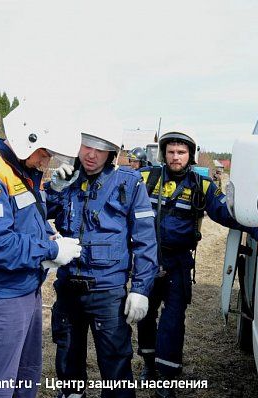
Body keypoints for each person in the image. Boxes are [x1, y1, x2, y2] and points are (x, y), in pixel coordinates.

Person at [0, 102, 83, 398]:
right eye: (44, 152)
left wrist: (51, 196)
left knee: (24, 382)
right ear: (26, 139)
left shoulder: (20, 173)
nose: (47, 159)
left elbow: (27, 221)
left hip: (26, 291)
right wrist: (50, 250)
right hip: (1, 297)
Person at [136, 131, 256, 398]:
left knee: (173, 319)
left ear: (190, 155)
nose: (175, 157)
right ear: (163, 154)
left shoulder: (201, 185)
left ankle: (166, 378)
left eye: (181, 152)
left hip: (178, 262)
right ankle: (148, 364)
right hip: (147, 259)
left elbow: (227, 214)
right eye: (170, 152)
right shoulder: (146, 178)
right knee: (144, 314)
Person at [45, 125, 158, 398]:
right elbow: (38, 212)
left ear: (112, 152)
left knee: (116, 365)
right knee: (68, 362)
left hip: (107, 291)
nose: (91, 155)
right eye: (86, 146)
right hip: (69, 287)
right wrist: (55, 188)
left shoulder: (129, 183)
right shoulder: (68, 179)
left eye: (100, 148)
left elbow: (145, 240)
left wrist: (141, 290)